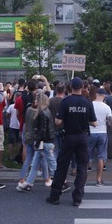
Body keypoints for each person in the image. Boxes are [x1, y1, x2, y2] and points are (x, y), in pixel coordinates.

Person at [46, 77, 96, 206]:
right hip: (82, 137)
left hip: (68, 137)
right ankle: (77, 197)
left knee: (62, 166)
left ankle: (55, 196)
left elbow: (57, 121)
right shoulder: (87, 102)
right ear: (82, 88)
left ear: (71, 88)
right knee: (82, 167)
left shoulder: (65, 102)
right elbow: (94, 122)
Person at [17, 90, 57, 192]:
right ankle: (30, 183)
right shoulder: (45, 111)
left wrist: (38, 141)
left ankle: (62, 181)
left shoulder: (41, 113)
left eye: (36, 100)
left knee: (49, 163)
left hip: (43, 142)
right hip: (45, 141)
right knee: (37, 163)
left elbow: (42, 130)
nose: (35, 101)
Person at [89, 88, 112, 186]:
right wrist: (105, 122)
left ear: (96, 95)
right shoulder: (106, 107)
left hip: (90, 132)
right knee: (101, 157)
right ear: (104, 96)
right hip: (102, 132)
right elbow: (111, 122)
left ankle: (84, 178)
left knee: (87, 155)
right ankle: (98, 179)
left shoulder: (90, 105)